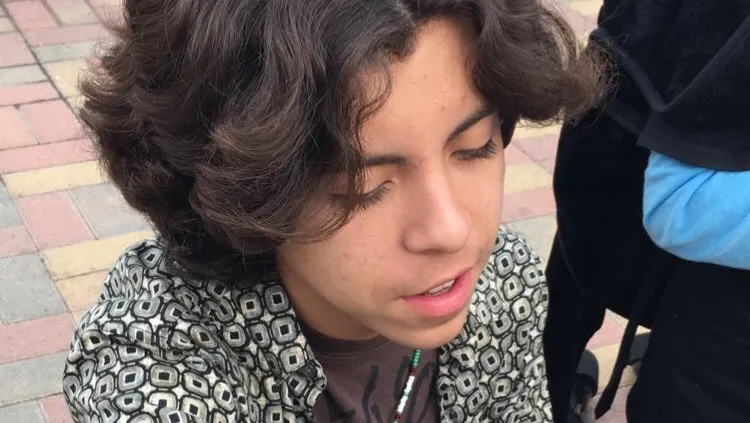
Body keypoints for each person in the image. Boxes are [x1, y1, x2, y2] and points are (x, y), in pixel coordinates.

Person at [61, 0, 604, 422]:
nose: (450, 230)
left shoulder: (503, 281)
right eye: (361, 188)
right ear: (248, 191)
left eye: (475, 148)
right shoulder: (160, 367)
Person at [544, 1, 750, 422]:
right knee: (576, 276)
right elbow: (681, 202)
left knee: (575, 276)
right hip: (642, 86)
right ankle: (547, 393)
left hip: (644, 65)